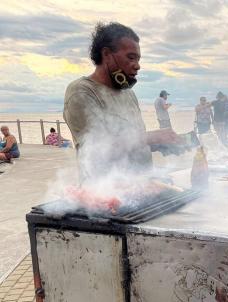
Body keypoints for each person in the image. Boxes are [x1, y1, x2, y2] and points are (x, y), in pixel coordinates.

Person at [63, 22, 168, 182]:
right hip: (106, 195)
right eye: (131, 57)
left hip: (142, 187)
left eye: (138, 59)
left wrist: (165, 142)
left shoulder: (129, 94)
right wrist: (150, 138)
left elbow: (133, 143)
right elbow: (97, 150)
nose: (137, 66)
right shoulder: (82, 91)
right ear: (106, 54)